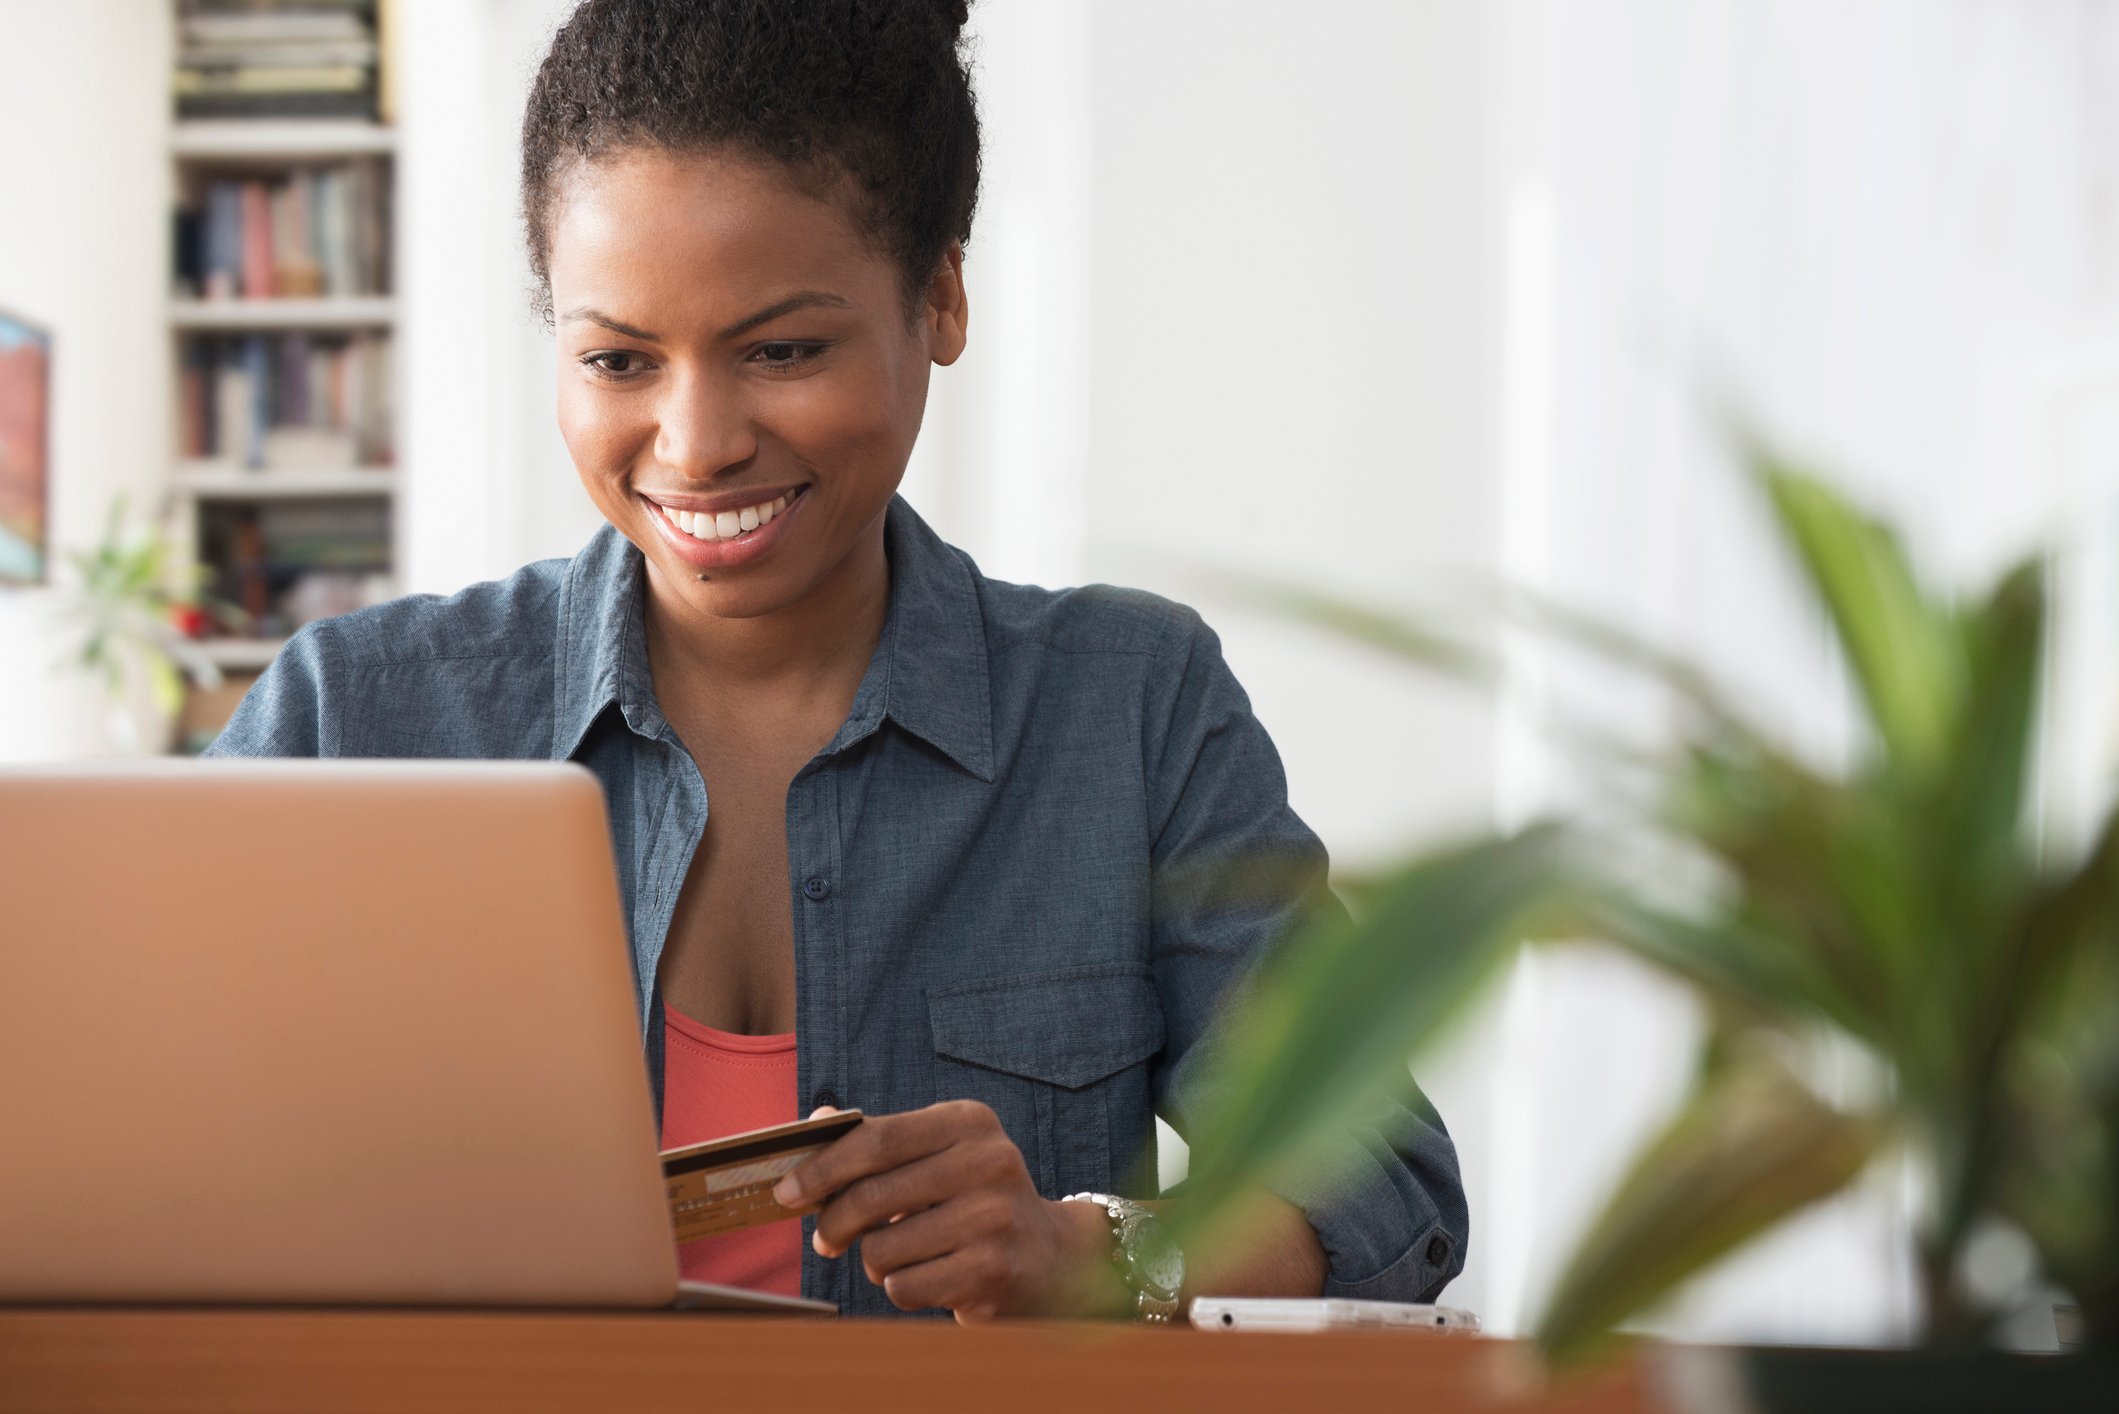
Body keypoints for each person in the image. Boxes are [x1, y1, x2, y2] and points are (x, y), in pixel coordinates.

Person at [205, 0, 1467, 1322]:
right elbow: (126, 1152)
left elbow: (1383, 1191)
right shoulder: (353, 714)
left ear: (941, 298)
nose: (696, 444)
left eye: (784, 350)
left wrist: (1088, 1254)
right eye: (618, 359)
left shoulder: (1130, 709)